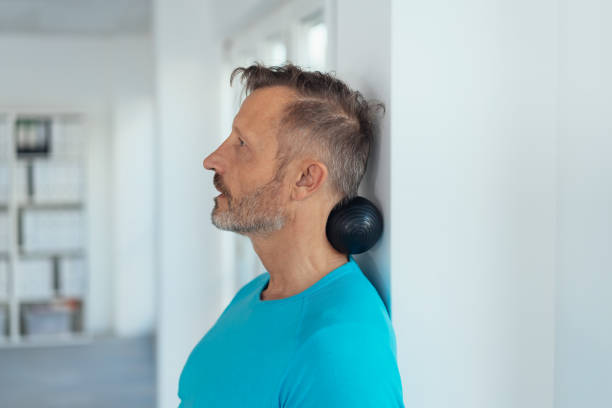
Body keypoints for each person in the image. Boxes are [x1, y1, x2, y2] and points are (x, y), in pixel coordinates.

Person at [178, 63, 404, 407]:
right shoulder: (255, 294)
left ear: (305, 179)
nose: (212, 160)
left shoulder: (342, 347)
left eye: (242, 144)